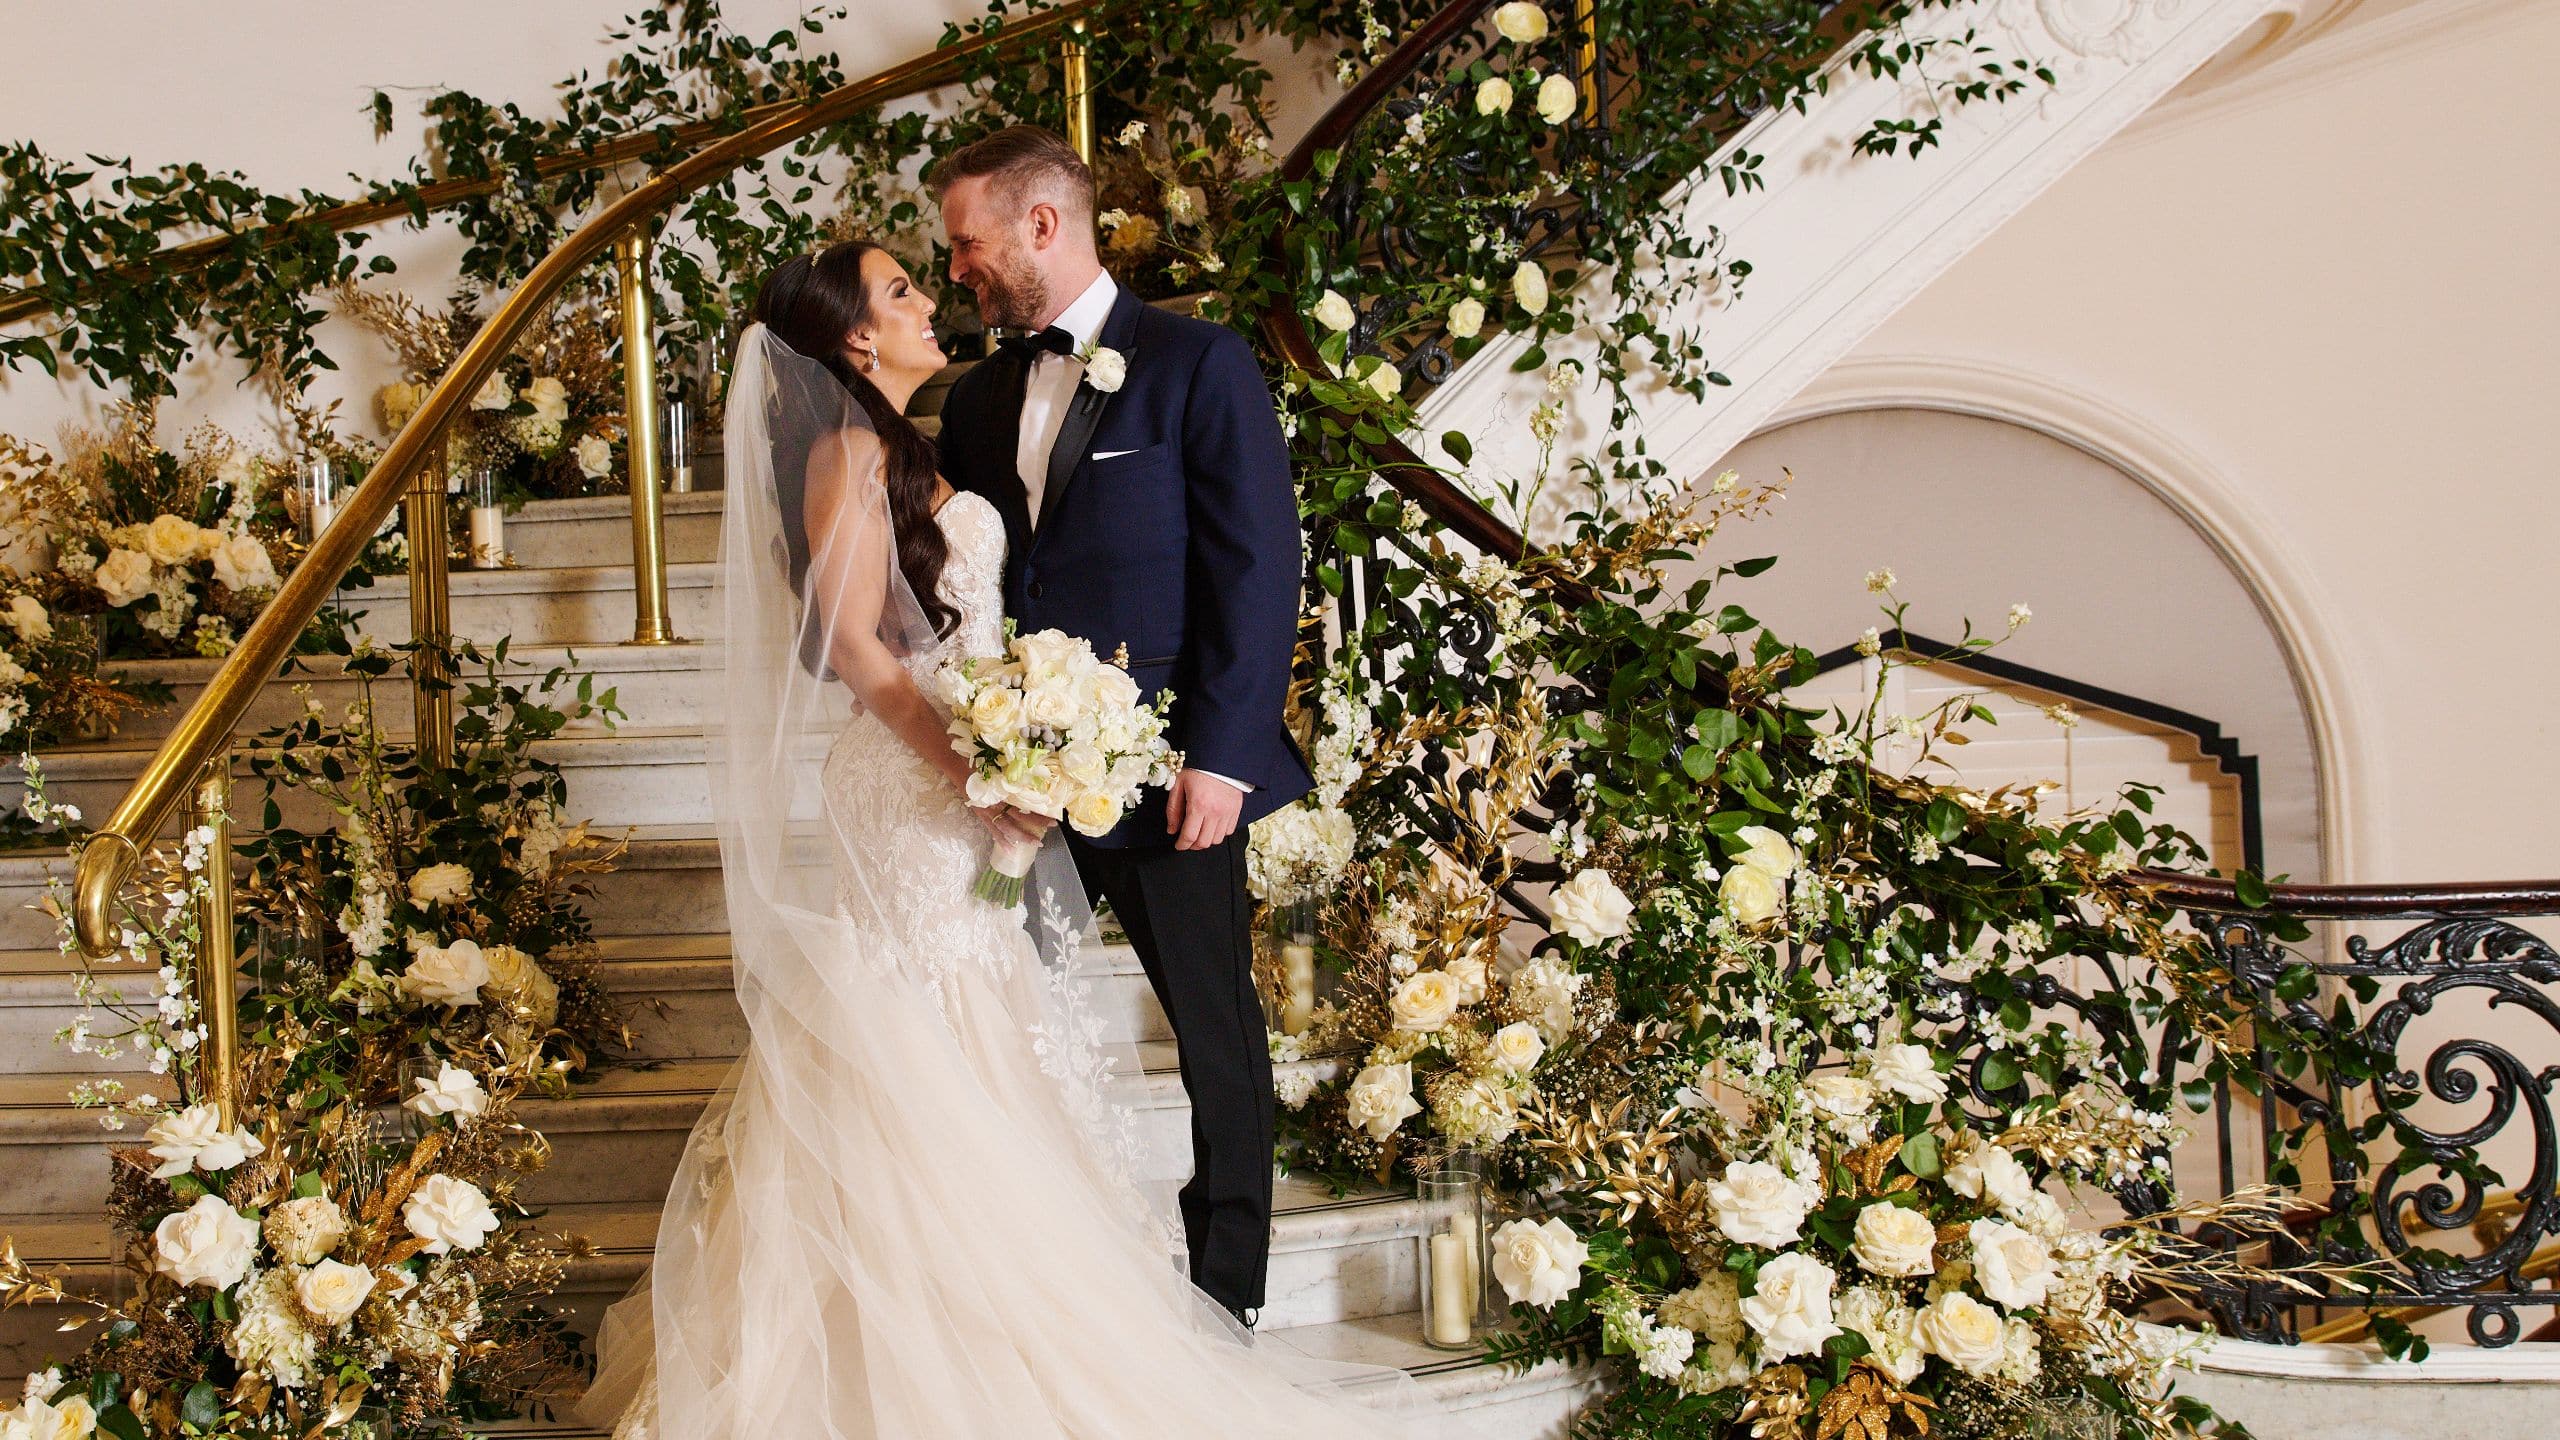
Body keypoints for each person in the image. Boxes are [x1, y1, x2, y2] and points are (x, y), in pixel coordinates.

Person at [576, 238, 1441, 1439]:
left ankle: (1066, 1304)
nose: (935, 293)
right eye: (902, 289)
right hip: (922, 780)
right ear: (853, 338)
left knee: (981, 1019)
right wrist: (978, 769)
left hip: (993, 767)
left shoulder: (923, 438)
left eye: (940, 266)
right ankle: (927, 1345)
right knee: (930, 1020)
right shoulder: (850, 451)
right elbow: (859, 647)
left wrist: (1032, 747)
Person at [931, 125, 1312, 1326]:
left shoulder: (1198, 364)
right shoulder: (975, 400)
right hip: (1014, 793)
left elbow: (1257, 567)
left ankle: (1225, 1298)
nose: (957, 269)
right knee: (994, 1015)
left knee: (1213, 1032)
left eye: (968, 244)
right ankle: (1025, 1284)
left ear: (1042, 225)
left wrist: (1223, 758)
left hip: (1164, 777)